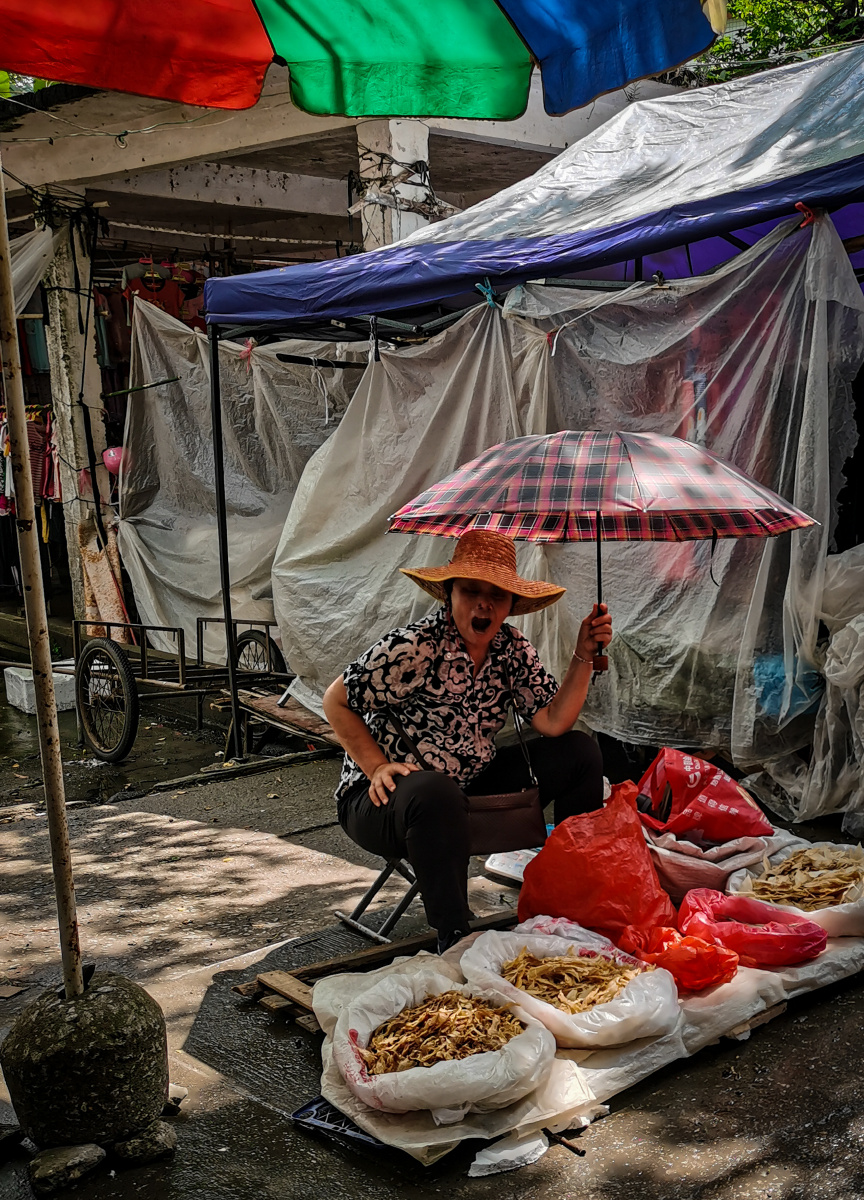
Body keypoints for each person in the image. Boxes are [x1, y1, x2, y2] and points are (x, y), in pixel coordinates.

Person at [322, 530, 613, 952]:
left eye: (496, 595)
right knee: (433, 789)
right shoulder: (415, 647)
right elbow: (336, 701)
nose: (483, 604)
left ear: (511, 604)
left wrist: (584, 653)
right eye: (471, 591)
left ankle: (572, 895)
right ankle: (454, 934)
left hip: (464, 787)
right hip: (384, 800)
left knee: (581, 752)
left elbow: (553, 722)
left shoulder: (512, 649)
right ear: (449, 595)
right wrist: (376, 766)